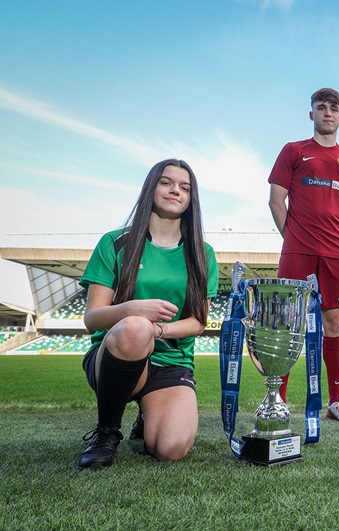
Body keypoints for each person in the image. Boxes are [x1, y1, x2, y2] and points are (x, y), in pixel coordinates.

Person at [77, 159, 219, 470]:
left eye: (185, 187)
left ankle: (147, 415)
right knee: (134, 329)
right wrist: (131, 311)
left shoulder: (202, 253)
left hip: (170, 361)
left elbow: (198, 322)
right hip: (117, 352)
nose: (175, 190)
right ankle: (106, 432)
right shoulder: (115, 242)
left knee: (171, 448)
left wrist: (159, 331)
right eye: (166, 182)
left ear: (192, 199)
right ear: (151, 187)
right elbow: (92, 318)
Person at [268, 87, 339, 422]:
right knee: (286, 323)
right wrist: (293, 237)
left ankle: (336, 401)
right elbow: (276, 200)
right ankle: (277, 401)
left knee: (334, 321)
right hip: (296, 250)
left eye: (333, 108)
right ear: (311, 114)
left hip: (336, 252)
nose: (327, 113)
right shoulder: (293, 151)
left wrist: (334, 236)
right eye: (321, 107)